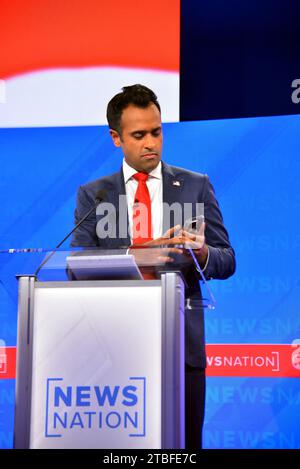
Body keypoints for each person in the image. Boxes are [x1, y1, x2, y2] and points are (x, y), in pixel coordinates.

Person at [71, 84, 236, 448]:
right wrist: (134, 255)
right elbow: (76, 264)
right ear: (116, 138)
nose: (151, 143)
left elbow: (227, 259)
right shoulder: (94, 193)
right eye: (139, 135)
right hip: (114, 345)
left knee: (183, 445)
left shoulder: (195, 185)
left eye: (157, 132)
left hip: (181, 346)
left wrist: (203, 252)